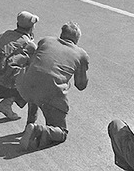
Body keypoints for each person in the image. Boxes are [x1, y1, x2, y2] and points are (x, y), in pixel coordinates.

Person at [17, 21, 89, 151]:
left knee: (38, 80)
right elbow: (81, 85)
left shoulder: (46, 41)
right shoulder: (81, 54)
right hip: (49, 94)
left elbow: (35, 64)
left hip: (25, 86)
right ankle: (37, 130)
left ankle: (30, 122)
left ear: (61, 34)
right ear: (76, 39)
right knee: (62, 132)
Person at [0, 11, 39, 120]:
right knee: (30, 78)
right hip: (1, 89)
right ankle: (7, 103)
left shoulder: (7, 34)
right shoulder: (29, 45)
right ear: (31, 27)